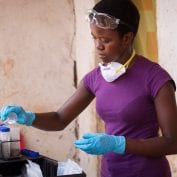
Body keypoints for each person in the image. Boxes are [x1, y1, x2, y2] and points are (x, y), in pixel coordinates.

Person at [1, 0, 177, 176]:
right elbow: (60, 119)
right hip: (110, 172)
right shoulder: (95, 78)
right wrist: (29, 117)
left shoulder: (155, 78)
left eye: (106, 40)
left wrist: (119, 144)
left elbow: (172, 142)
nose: (98, 46)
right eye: (94, 37)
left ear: (127, 38)